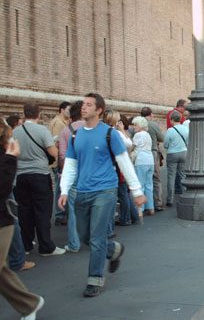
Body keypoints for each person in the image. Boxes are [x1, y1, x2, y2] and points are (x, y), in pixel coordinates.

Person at [59, 93, 146, 297]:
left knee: (97, 236)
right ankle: (113, 250)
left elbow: (124, 161)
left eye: (89, 105)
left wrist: (137, 191)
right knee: (84, 237)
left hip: (105, 191)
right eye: (83, 104)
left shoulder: (110, 134)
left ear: (99, 110)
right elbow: (71, 164)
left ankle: (95, 280)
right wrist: (64, 190)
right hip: (82, 190)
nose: (84, 108)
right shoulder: (75, 135)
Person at [0, 120, 45, 320]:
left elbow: (2, 189)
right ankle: (29, 304)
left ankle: (29, 304)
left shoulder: (6, 156)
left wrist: (10, 159)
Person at [13, 103, 65, 256]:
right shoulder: (42, 130)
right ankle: (46, 246)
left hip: (20, 176)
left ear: (24, 113)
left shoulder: (15, 132)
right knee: (42, 211)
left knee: (24, 210)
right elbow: (53, 152)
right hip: (39, 175)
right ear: (39, 114)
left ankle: (26, 245)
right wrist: (55, 145)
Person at [59, 101, 85, 253]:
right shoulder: (93, 129)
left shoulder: (65, 131)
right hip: (91, 173)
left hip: (73, 173)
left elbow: (63, 155)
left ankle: (74, 243)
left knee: (73, 209)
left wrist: (65, 174)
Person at [49, 101, 71, 226]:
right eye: (68, 109)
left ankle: (61, 213)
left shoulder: (60, 122)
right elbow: (57, 142)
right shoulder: (59, 123)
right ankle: (60, 214)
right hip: (59, 159)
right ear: (62, 110)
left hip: (58, 158)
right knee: (60, 186)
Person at [141, 107, 165, 212]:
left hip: (139, 154)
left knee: (142, 179)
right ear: (150, 114)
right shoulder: (153, 125)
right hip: (152, 152)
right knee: (155, 178)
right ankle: (157, 203)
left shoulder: (136, 124)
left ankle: (144, 204)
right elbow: (162, 138)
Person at [164, 111, 188, 206]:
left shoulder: (170, 130)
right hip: (183, 152)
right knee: (182, 175)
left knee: (171, 176)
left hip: (172, 154)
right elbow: (188, 142)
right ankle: (185, 195)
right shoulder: (185, 129)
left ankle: (170, 199)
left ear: (172, 119)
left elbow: (166, 144)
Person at [131, 117, 155, 216]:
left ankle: (140, 209)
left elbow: (132, 147)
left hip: (141, 161)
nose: (133, 127)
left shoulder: (138, 135)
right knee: (149, 185)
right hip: (150, 160)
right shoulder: (147, 135)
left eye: (135, 125)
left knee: (140, 185)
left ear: (140, 125)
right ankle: (151, 208)